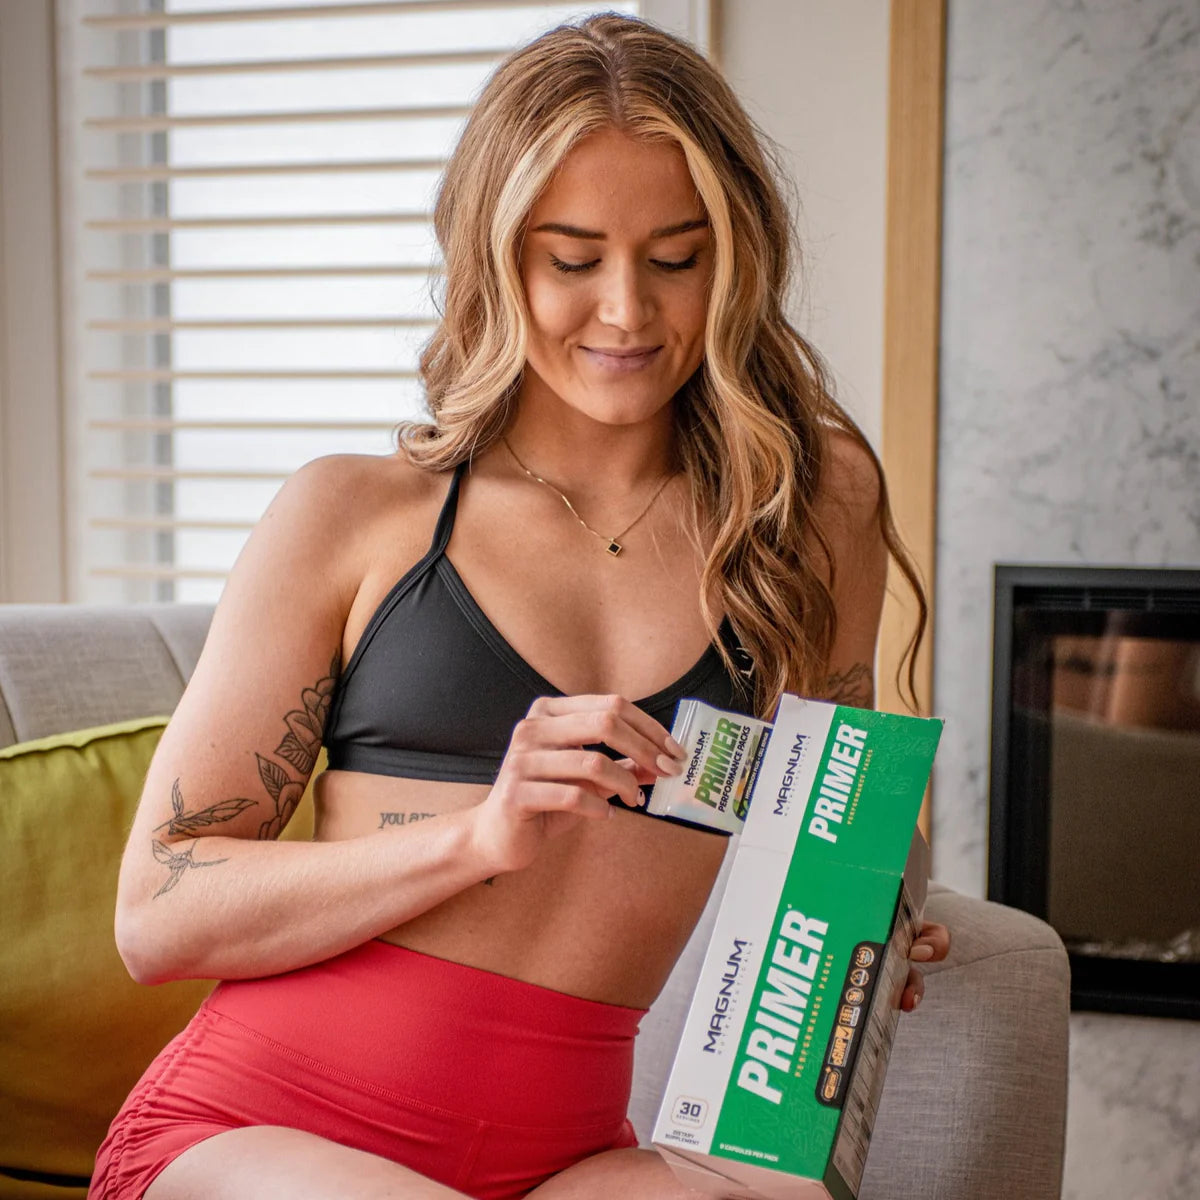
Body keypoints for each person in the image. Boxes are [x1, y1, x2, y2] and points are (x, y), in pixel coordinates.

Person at [89, 13, 949, 1200]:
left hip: (570, 1164)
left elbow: (845, 797)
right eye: (573, 256)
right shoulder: (358, 517)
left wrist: (878, 910)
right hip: (261, 1135)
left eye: (675, 257)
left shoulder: (806, 510)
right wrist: (476, 837)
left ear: (735, 256)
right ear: (498, 256)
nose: (627, 314)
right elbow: (157, 912)